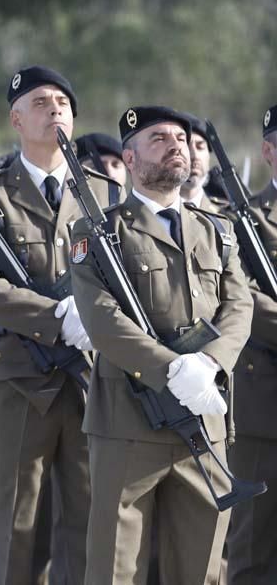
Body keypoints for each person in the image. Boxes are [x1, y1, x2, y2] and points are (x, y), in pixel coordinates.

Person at [70, 106, 252, 583]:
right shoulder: (98, 231)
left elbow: (239, 308)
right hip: (128, 426)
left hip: (205, 419)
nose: (176, 145)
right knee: (115, 569)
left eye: (180, 138)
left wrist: (210, 365)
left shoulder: (217, 231)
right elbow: (101, 318)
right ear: (128, 158)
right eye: (158, 139)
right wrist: (172, 370)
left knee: (202, 571)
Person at [0, 66, 119, 584]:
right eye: (42, 102)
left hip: (91, 378)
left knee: (89, 520)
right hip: (17, 377)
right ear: (16, 119)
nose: (56, 110)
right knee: (13, 524)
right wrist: (54, 316)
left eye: (64, 103)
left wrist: (93, 314)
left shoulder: (107, 195)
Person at [227, 103, 277, 583]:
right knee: (252, 549)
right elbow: (243, 299)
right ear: (268, 150)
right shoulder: (245, 220)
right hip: (264, 412)